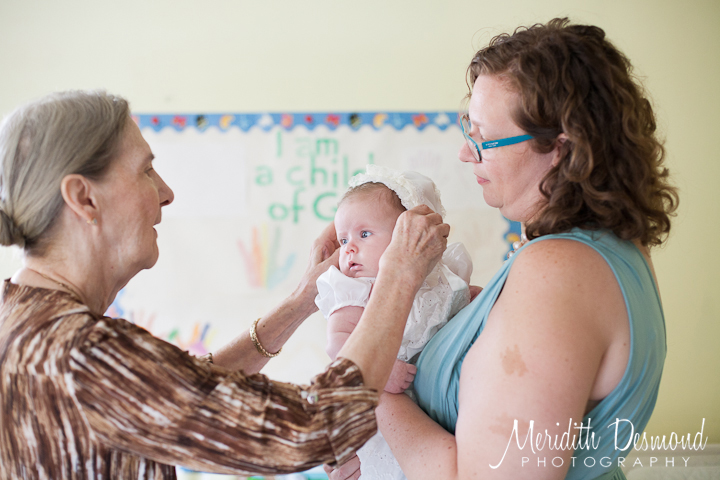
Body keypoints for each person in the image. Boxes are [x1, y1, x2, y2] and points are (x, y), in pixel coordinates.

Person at [0, 90, 450, 479]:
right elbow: (313, 426)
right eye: (145, 170)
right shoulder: (84, 354)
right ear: (84, 198)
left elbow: (184, 391)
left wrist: (300, 302)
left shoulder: (20, 317)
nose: (166, 192)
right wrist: (398, 274)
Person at [325, 18, 678, 480]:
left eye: (484, 137)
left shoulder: (560, 270)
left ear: (560, 148)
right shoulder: (610, 252)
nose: (466, 153)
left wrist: (372, 392)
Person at [316, 166, 472, 479]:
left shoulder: (441, 279)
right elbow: (338, 343)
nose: (349, 248)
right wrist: (383, 369)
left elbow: (458, 309)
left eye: (364, 234)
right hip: (375, 407)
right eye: (343, 239)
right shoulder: (356, 290)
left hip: (433, 411)